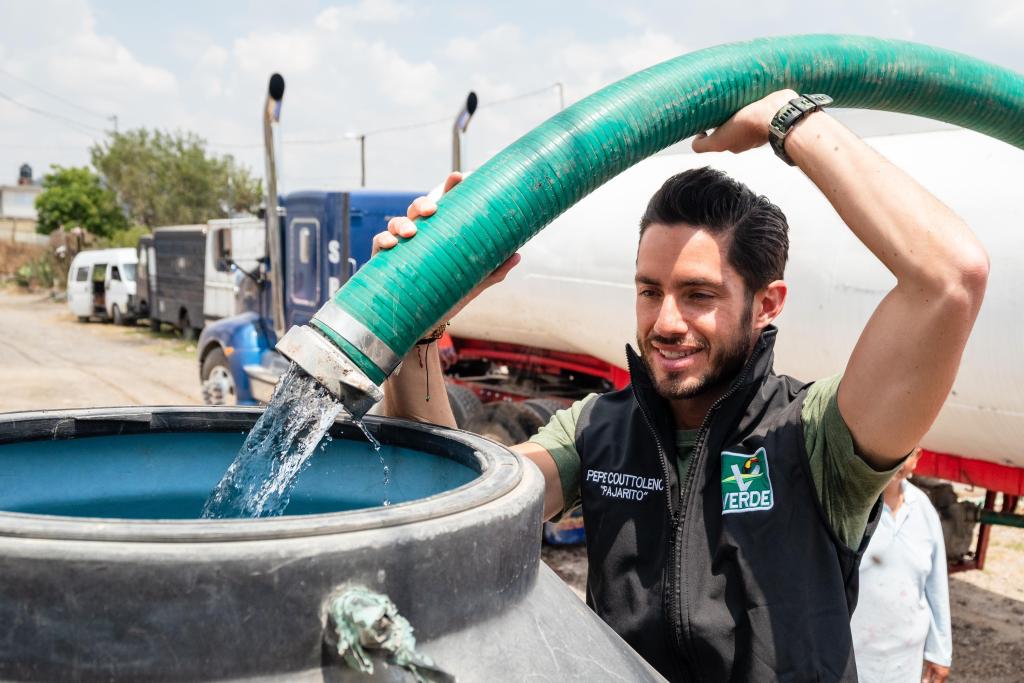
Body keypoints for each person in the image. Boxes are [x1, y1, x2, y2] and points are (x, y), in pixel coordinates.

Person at [373, 90, 988, 681]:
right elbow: (460, 507)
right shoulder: (598, 429)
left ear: (767, 302)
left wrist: (786, 116)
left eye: (699, 295)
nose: (666, 323)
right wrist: (419, 325)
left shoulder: (817, 436)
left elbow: (950, 277)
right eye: (649, 291)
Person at [852, 449, 953, 683]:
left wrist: (940, 653)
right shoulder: (852, 503)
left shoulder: (923, 508)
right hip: (853, 655)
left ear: (917, 457)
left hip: (905, 661)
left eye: (907, 451)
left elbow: (936, 586)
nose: (898, 456)